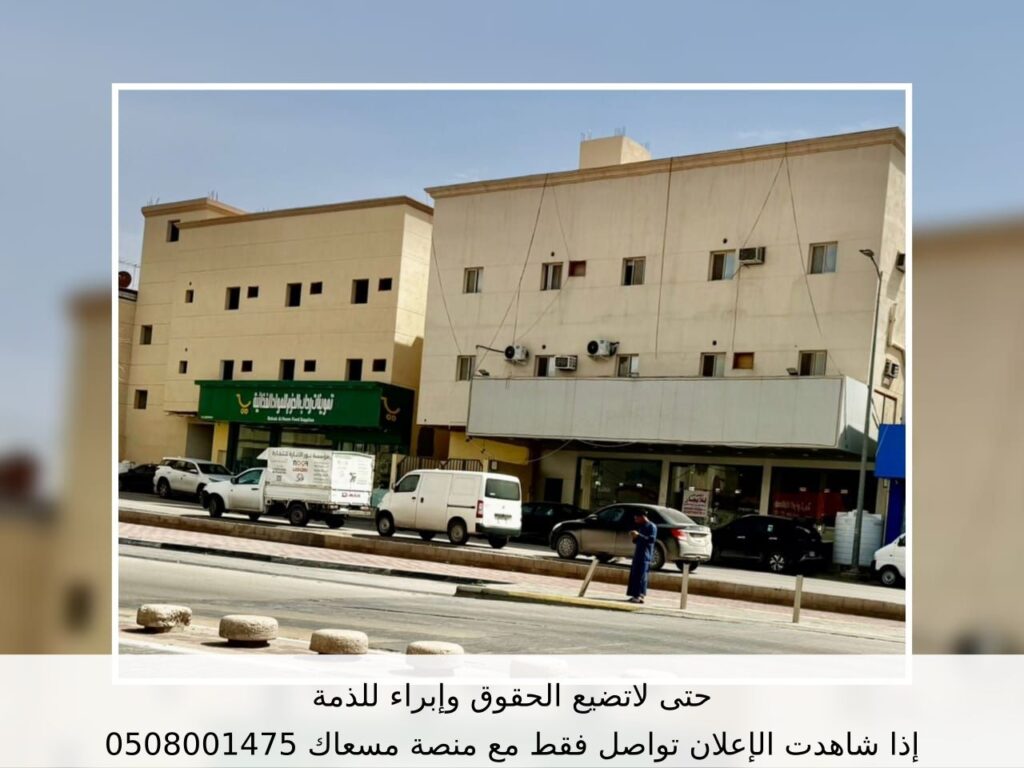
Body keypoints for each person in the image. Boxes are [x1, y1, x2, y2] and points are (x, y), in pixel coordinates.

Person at [626, 509, 657, 603]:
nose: (635, 520)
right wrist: (634, 537)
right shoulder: (642, 526)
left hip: (645, 555)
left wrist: (639, 535)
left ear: (642, 517)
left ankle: (640, 595)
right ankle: (634, 594)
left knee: (641, 576)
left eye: (637, 518)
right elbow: (638, 541)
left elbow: (651, 540)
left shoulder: (651, 526)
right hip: (638, 554)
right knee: (635, 575)